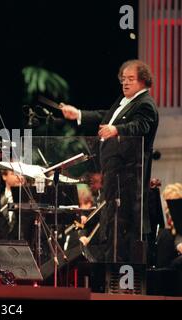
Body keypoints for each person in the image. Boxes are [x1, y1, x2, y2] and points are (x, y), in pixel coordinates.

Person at [60, 59, 159, 263]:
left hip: (129, 179)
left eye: (131, 79)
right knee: (111, 228)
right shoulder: (125, 102)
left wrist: (117, 130)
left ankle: (121, 278)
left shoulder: (145, 104)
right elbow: (106, 116)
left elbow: (140, 126)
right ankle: (108, 273)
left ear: (143, 81)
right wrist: (79, 114)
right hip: (115, 177)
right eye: (123, 79)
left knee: (124, 231)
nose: (125, 83)